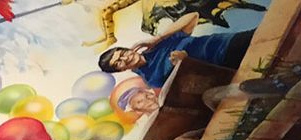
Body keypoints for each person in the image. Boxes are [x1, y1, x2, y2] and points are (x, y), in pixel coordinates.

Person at [97, 13, 255, 89]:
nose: (125, 58)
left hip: (228, 41)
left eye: (122, 54)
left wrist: (158, 38)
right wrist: (185, 64)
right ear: (121, 70)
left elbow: (193, 17)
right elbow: (197, 85)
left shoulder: (156, 45)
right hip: (225, 63)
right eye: (118, 62)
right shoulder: (153, 79)